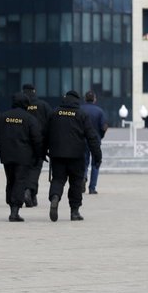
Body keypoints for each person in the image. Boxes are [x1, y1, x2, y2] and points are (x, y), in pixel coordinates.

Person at [0, 91, 43, 222]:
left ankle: (11, 204)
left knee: (11, 180)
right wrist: (39, 155)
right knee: (20, 181)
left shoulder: (3, 117)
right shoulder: (30, 119)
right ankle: (15, 210)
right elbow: (37, 139)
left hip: (7, 155)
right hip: (23, 156)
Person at [46, 90, 101, 222]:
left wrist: (44, 151)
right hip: (76, 155)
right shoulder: (81, 114)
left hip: (57, 154)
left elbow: (46, 133)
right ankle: (74, 212)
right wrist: (97, 155)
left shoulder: (54, 112)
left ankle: (55, 197)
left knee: (58, 179)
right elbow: (91, 136)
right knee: (76, 182)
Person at [21, 83, 51, 207]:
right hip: (39, 142)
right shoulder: (43, 105)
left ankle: (31, 195)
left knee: (24, 170)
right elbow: (50, 124)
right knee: (35, 169)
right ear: (34, 91)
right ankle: (29, 191)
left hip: (22, 143)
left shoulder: (21, 105)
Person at [80, 91, 108, 194]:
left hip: (82, 140)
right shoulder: (99, 111)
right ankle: (92, 188)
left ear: (85, 98)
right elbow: (104, 127)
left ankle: (83, 177)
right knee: (96, 163)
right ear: (94, 99)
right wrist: (100, 136)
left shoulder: (80, 110)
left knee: (84, 162)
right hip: (95, 140)